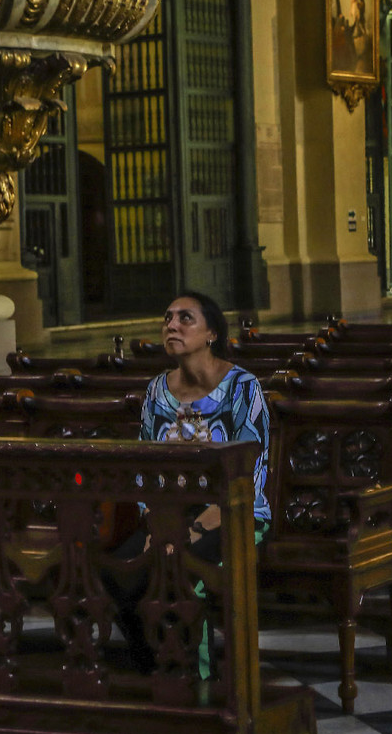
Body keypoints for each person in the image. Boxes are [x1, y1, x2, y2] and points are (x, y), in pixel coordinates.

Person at [110, 291, 271, 678]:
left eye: (186, 318)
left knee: (182, 573)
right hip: (169, 516)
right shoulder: (155, 391)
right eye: (168, 318)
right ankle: (152, 668)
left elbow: (252, 470)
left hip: (237, 514)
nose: (172, 325)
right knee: (115, 575)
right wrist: (155, 523)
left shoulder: (242, 388)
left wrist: (197, 526)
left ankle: (194, 680)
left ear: (211, 332)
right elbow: (144, 466)